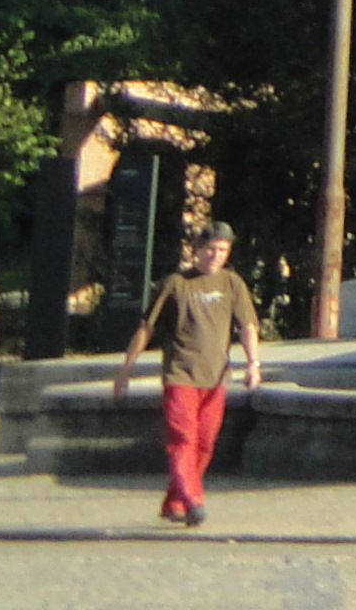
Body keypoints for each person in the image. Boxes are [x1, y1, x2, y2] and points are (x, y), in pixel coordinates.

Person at [112, 221, 261, 528]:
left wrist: (253, 364)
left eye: (222, 250)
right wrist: (125, 370)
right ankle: (194, 499)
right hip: (180, 374)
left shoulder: (232, 283)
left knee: (205, 443)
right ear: (197, 250)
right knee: (183, 439)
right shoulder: (176, 283)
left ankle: (175, 501)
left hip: (216, 377)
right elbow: (146, 327)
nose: (215, 256)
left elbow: (248, 326)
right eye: (210, 249)